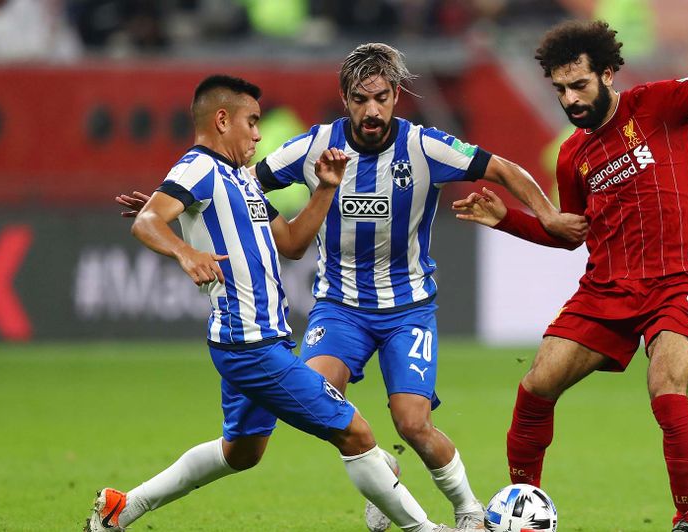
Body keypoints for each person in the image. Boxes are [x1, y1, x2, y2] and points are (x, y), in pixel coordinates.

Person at [117, 42, 586, 531]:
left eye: (381, 98)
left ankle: (468, 512)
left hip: (408, 308)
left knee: (413, 423)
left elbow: (502, 168)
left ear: (396, 95)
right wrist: (167, 205)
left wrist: (548, 216)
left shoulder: (425, 146)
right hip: (339, 308)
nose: (372, 109)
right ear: (345, 99)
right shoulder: (314, 147)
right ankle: (386, 474)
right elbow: (235, 182)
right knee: (323, 401)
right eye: (361, 100)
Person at [86, 74, 471, 532]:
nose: (258, 133)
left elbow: (291, 242)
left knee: (242, 451)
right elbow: (148, 220)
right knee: (356, 432)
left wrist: (326, 188)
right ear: (222, 120)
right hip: (248, 344)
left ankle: (123, 506)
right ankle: (423, 528)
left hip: (261, 339)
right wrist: (185, 251)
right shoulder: (198, 168)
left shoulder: (242, 180)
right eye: (251, 122)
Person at [452, 2, 688, 531]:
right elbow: (569, 235)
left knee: (666, 384)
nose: (569, 99)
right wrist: (508, 220)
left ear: (607, 74)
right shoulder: (572, 156)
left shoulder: (658, 104)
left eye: (578, 85)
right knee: (536, 385)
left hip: (674, 278)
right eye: (560, 90)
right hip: (607, 287)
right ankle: (522, 512)